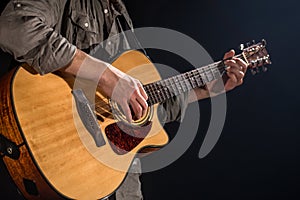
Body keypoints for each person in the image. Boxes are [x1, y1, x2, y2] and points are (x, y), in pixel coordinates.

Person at [0, 0, 248, 199]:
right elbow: (13, 29)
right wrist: (107, 77)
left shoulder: (122, 17)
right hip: (61, 167)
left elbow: (142, 113)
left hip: (124, 188)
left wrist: (207, 90)